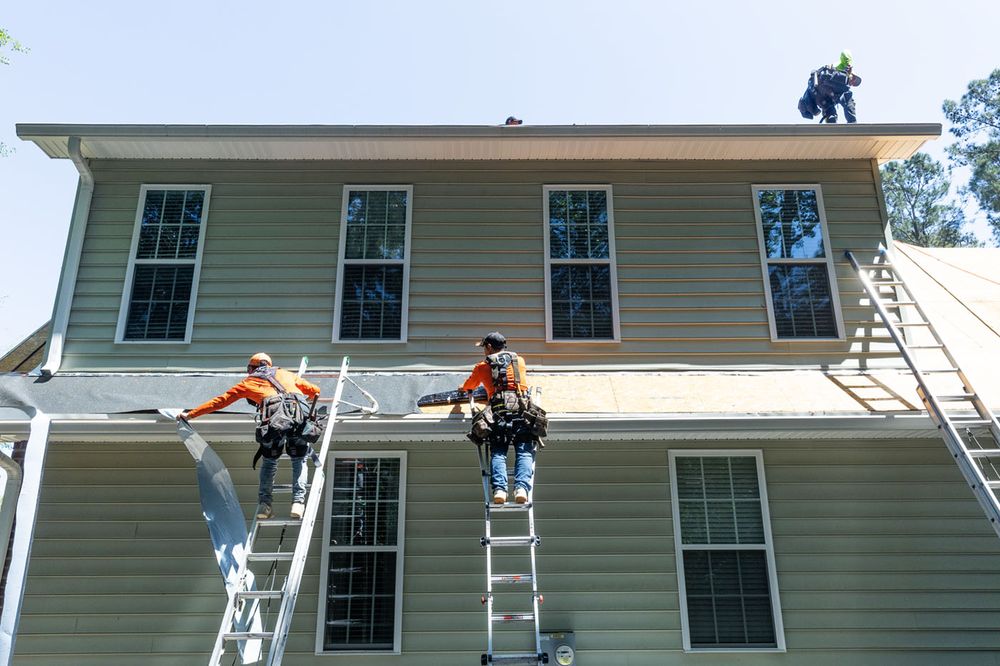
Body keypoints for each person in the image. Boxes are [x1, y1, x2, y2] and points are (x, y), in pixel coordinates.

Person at [179, 353, 321, 520]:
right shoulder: (285, 373)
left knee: (270, 461)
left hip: (274, 425)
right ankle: (298, 503)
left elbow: (220, 401)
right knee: (299, 459)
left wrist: (190, 414)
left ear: (252, 368)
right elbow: (315, 391)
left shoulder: (248, 382)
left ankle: (265, 505)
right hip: (299, 422)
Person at [461, 332, 537, 505]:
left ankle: (500, 491)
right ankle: (521, 489)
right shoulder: (520, 361)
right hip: (522, 414)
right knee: (524, 452)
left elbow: (469, 385)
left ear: (489, 347)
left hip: (498, 415)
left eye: (484, 348)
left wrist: (463, 388)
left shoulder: (483, 366)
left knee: (498, 452)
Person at [798, 50, 862, 123]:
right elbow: (845, 53)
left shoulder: (837, 88)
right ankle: (852, 123)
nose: (852, 83)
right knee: (847, 97)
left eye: (854, 83)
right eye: (853, 79)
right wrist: (848, 64)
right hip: (824, 86)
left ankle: (831, 127)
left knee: (830, 111)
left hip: (822, 97)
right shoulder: (841, 68)